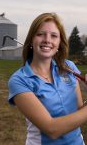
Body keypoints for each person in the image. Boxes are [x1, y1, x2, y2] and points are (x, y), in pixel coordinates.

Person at [8, 12, 87, 145]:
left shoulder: (69, 67)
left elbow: (78, 111)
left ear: (59, 43)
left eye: (54, 36)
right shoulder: (19, 80)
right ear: (32, 39)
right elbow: (52, 129)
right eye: (40, 34)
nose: (47, 40)